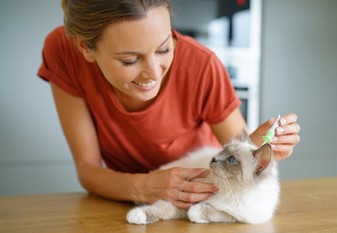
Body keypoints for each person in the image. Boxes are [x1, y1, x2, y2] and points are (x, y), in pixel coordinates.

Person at [38, 0, 300, 210]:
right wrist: (144, 186)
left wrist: (259, 150)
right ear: (85, 48)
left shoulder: (201, 65)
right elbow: (88, 170)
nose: (153, 73)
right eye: (130, 60)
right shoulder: (63, 49)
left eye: (164, 49)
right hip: (120, 205)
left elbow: (245, 153)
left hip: (196, 204)